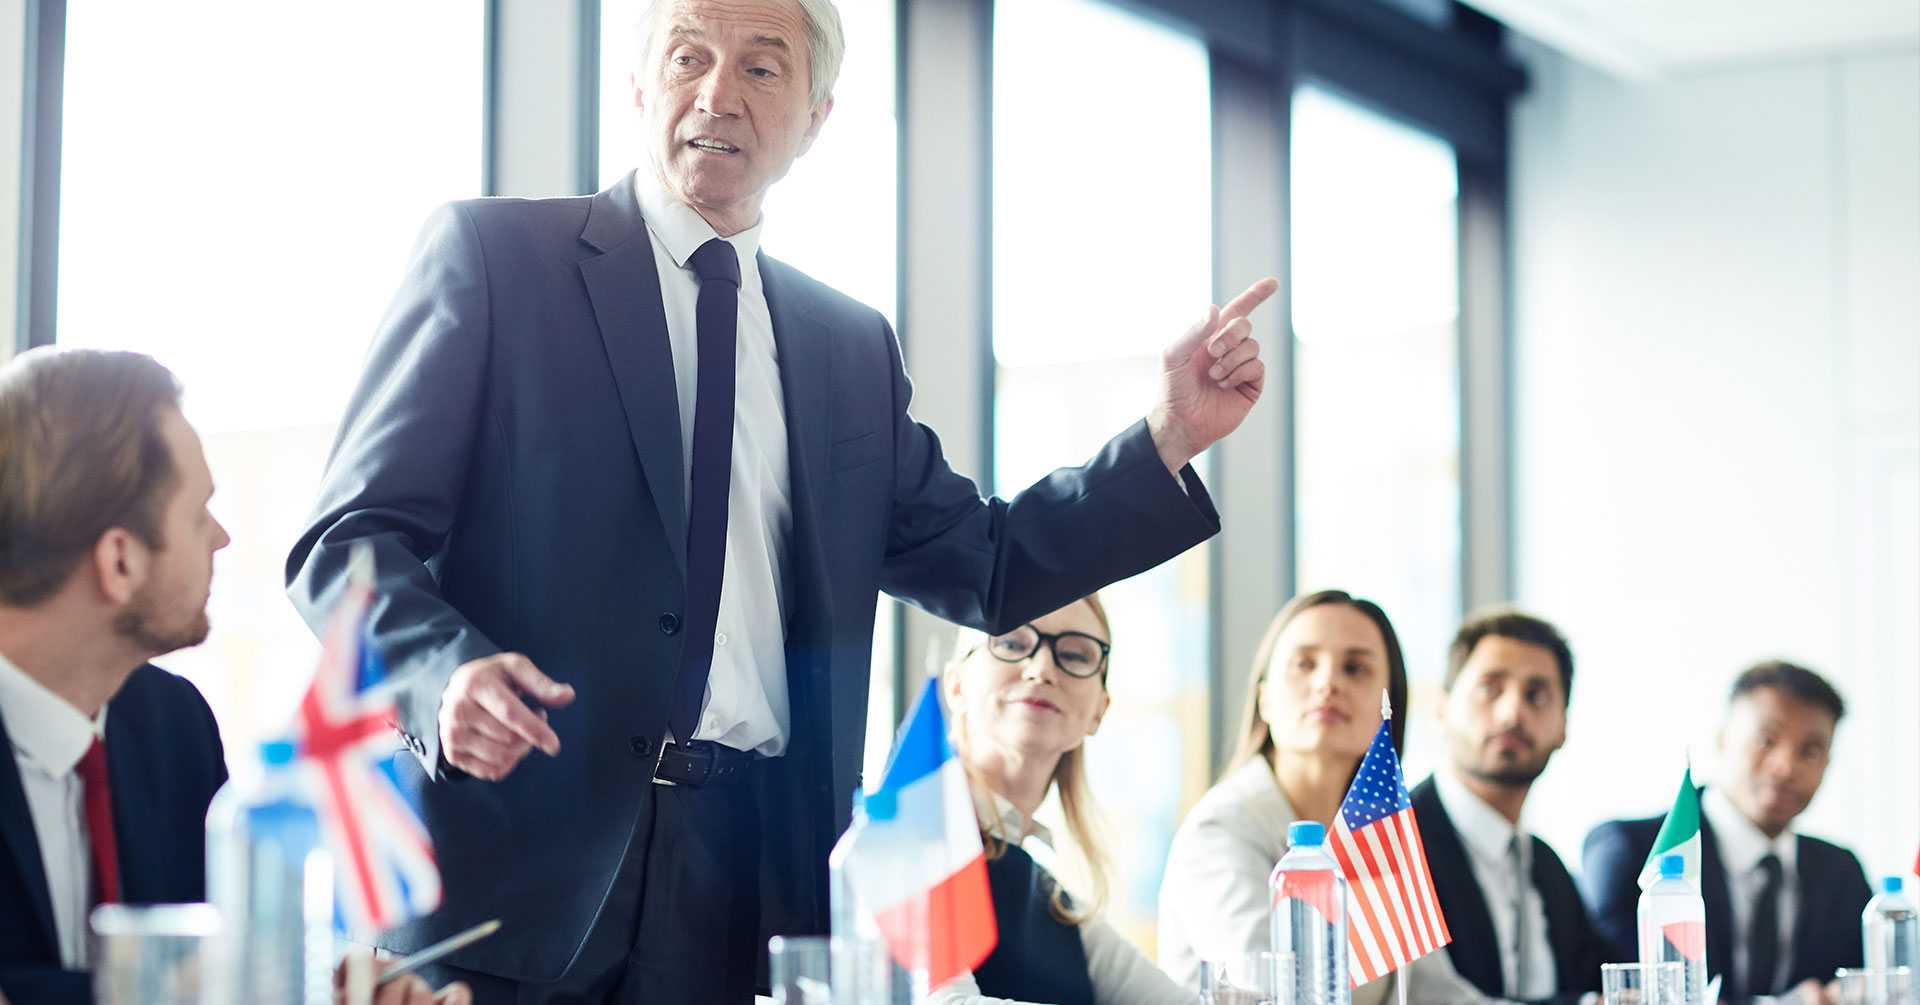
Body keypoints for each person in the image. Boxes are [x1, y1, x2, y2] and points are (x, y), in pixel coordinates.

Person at [284, 0, 1277, 1000]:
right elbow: (347, 538)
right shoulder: (497, 261)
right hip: (517, 865)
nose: (717, 92)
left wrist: (1170, 436)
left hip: (747, 885)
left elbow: (988, 560)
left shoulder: (847, 348)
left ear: (816, 118)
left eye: (763, 69)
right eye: (688, 58)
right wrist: (442, 678)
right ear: (639, 86)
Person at [0, 348, 465, 1005]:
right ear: (120, 560)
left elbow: (227, 965)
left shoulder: (173, 724)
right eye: (197, 514)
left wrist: (322, 987)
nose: (220, 538)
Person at [1156, 590, 1498, 1005]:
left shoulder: (1376, 832)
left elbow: (1439, 994)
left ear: (1386, 707)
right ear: (1264, 699)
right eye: (1304, 664)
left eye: (1356, 668)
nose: (1327, 683)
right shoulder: (1222, 829)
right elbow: (1279, 994)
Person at [929, 595, 1195, 1005]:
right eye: (1013, 644)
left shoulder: (1056, 902)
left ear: (1099, 711)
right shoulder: (915, 838)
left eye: (1074, 654)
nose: (1042, 669)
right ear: (957, 684)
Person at [1582, 661, 1873, 1005]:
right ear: (1722, 740)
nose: (1786, 766)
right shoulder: (1632, 851)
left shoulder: (1842, 871)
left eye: (1810, 751)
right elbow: (1640, 992)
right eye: (1766, 740)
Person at [1409, 609, 1607, 1005]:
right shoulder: (1395, 843)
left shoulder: (1550, 870)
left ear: (1562, 727)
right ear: (1441, 711)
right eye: (1489, 688)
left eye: (1536, 695)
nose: (1512, 712)